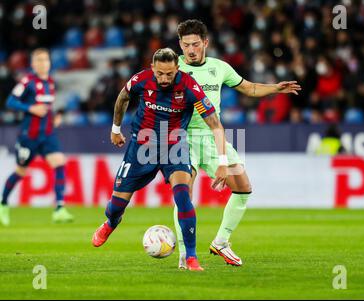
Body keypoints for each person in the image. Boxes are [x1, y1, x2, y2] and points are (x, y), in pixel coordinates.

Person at [174, 19, 302, 268]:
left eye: (195, 44)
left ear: (206, 43)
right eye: (186, 44)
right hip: (181, 137)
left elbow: (250, 89)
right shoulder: (171, 67)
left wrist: (275, 88)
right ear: (180, 44)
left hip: (213, 136)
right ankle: (185, 254)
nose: (191, 49)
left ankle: (221, 241)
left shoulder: (220, 68)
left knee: (243, 187)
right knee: (183, 193)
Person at [91, 48, 229, 272]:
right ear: (153, 68)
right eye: (160, 74)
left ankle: (191, 257)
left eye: (169, 74)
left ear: (177, 69)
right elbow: (123, 97)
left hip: (174, 146)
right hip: (141, 147)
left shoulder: (189, 87)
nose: (164, 79)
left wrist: (222, 162)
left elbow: (215, 123)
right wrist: (115, 129)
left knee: (183, 196)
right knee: (116, 206)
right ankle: (110, 223)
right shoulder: (142, 79)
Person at [0, 48, 73, 226]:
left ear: (49, 62)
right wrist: (30, 108)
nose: (42, 63)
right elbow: (10, 101)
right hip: (29, 136)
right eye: (38, 60)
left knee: (59, 162)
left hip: (47, 134)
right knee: (21, 171)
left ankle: (59, 209)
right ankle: (3, 204)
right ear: (32, 64)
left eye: (45, 60)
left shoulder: (50, 82)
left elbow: (47, 107)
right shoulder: (28, 82)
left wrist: (54, 117)